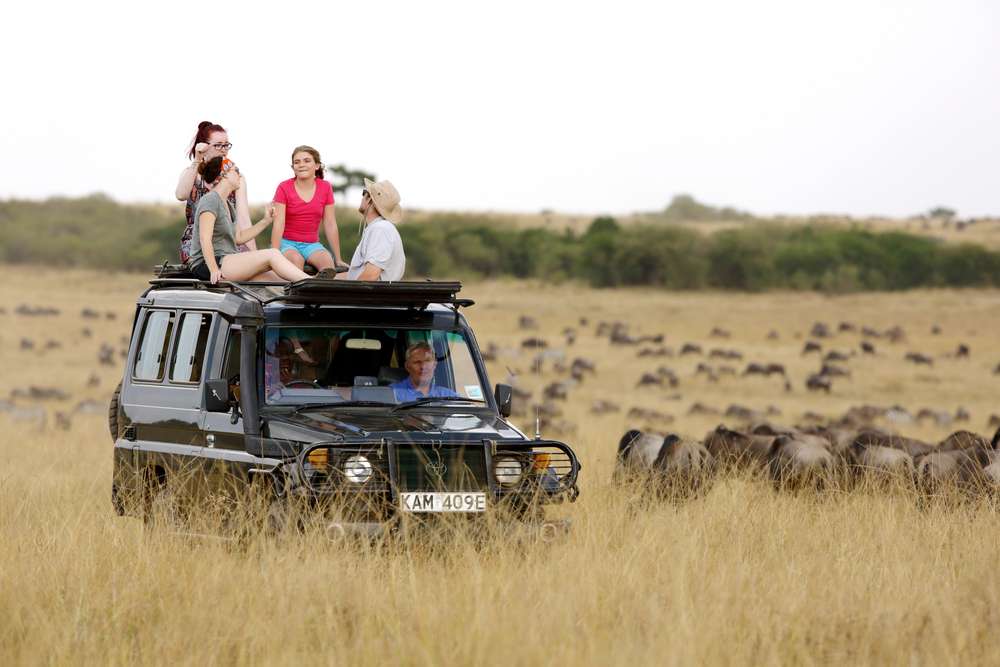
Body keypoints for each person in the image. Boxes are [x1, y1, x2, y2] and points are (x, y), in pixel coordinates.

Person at [189, 157, 312, 284]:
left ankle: (312, 287)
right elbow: (205, 238)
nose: (240, 175)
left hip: (228, 260)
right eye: (235, 170)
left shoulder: (229, 204)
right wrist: (214, 270)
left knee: (278, 281)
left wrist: (266, 221)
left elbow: (239, 237)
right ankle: (312, 282)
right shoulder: (210, 200)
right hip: (208, 264)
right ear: (223, 175)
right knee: (273, 254)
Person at [175, 121, 256, 264]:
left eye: (226, 145)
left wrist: (254, 254)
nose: (224, 149)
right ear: (204, 146)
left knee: (252, 263)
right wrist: (197, 159)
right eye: (218, 145)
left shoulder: (236, 178)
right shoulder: (192, 174)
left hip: (227, 239)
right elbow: (181, 195)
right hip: (197, 241)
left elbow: (243, 219)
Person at [271, 146, 347, 273]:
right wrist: (274, 252)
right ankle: (297, 291)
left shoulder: (326, 187)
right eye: (297, 162)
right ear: (293, 167)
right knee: (297, 261)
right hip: (287, 243)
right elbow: (279, 223)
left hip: (312, 245)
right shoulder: (284, 187)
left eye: (307, 161)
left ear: (317, 165)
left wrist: (338, 258)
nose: (301, 165)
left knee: (328, 265)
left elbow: (330, 223)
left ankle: (316, 289)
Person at [340, 178, 405, 281]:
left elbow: (370, 276)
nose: (361, 198)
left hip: (370, 296)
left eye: (364, 193)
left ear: (370, 199)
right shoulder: (377, 228)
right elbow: (355, 276)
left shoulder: (381, 230)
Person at [390, 342, 458, 401]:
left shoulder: (448, 396)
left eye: (427, 361)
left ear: (434, 365)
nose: (423, 366)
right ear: (407, 366)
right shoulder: (392, 393)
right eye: (417, 362)